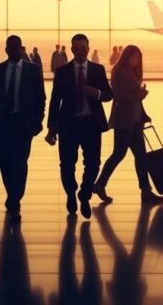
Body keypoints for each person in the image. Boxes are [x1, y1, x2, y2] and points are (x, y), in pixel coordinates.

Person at [46, 33, 114, 218]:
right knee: (67, 164)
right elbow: (55, 101)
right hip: (68, 125)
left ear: (88, 49)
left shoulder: (97, 70)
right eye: (76, 49)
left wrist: (97, 93)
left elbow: (109, 94)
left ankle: (84, 196)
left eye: (83, 48)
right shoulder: (63, 71)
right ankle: (70, 193)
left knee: (93, 164)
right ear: (72, 49)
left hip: (91, 125)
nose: (80, 52)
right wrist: (52, 127)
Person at [0, 35, 46, 222]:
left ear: (21, 48)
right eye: (10, 48)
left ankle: (14, 201)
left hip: (23, 124)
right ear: (6, 50)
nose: (13, 51)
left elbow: (40, 98)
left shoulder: (33, 71)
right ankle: (13, 195)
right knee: (4, 163)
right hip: (3, 123)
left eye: (16, 48)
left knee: (19, 163)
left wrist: (37, 121)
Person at [94, 45, 163, 205]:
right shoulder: (118, 72)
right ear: (126, 57)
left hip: (135, 121)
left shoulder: (131, 72)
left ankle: (146, 190)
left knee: (140, 157)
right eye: (134, 57)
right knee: (119, 154)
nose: (136, 61)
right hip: (124, 121)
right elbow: (121, 97)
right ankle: (100, 184)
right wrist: (140, 95)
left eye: (138, 58)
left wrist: (143, 112)